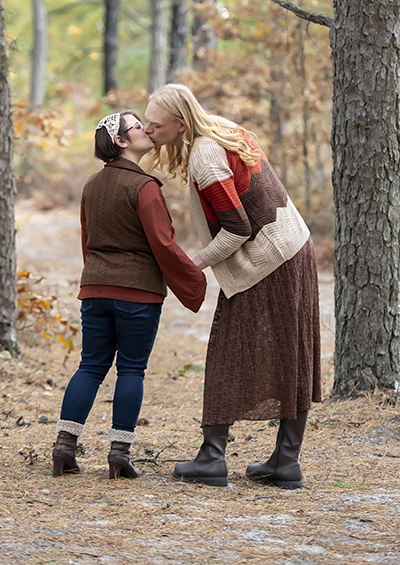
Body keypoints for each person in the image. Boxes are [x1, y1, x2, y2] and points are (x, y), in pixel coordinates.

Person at [144, 84, 321, 489]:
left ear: (181, 123)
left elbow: (237, 229)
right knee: (291, 349)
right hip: (292, 244)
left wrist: (193, 264)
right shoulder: (221, 129)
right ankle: (285, 461)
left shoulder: (205, 156)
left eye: (156, 125)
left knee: (229, 350)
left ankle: (212, 459)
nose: (149, 130)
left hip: (271, 259)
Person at [52, 110, 206, 480]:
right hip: (137, 293)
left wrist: (97, 278)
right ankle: (119, 453)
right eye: (136, 127)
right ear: (121, 141)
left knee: (90, 366)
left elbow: (88, 240)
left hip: (94, 289)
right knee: (131, 369)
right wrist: (193, 279)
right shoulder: (145, 187)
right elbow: (164, 244)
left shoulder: (92, 185)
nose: (146, 130)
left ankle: (64, 447)